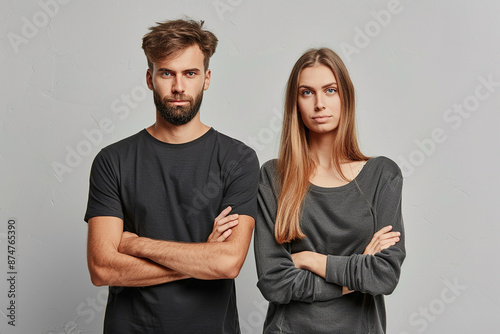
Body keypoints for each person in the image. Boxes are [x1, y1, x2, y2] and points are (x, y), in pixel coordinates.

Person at [84, 18, 259, 334]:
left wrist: (137, 245)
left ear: (206, 79)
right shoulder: (112, 161)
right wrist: (202, 258)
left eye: (190, 73)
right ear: (150, 79)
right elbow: (102, 267)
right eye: (167, 73)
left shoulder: (238, 159)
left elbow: (227, 263)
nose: (179, 87)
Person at [254, 47, 405, 333]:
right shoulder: (274, 176)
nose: (319, 103)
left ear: (345, 97)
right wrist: (358, 273)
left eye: (330, 90)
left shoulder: (382, 176)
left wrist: (311, 259)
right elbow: (275, 283)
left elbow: (384, 276)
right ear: (295, 103)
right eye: (307, 92)